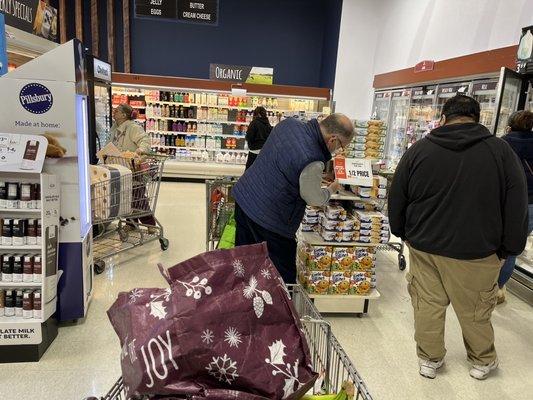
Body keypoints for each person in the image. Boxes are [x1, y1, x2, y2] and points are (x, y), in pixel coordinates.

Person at [388, 95, 528, 381]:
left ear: (443, 117)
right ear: (478, 118)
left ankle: (429, 359)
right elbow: (516, 203)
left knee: (426, 304)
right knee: (476, 309)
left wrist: (402, 232)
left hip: (425, 246)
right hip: (477, 250)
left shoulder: (419, 150)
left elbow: (398, 196)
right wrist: (510, 248)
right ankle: (482, 361)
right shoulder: (500, 152)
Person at [232, 113, 354, 283]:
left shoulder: (288, 124)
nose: (339, 150)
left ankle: (244, 303)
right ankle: (276, 309)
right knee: (282, 279)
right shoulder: (313, 159)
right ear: (332, 139)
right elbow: (313, 198)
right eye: (341, 146)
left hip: (245, 200)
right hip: (272, 221)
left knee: (245, 264)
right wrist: (331, 189)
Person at [497, 110, 533, 302]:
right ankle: (500, 288)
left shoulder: (502, 144)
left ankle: (486, 284)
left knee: (494, 243)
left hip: (505, 202)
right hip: (531, 204)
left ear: (509, 126)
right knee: (512, 248)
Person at [110, 104, 156, 229]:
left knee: (138, 197)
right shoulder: (115, 128)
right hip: (121, 168)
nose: (114, 112)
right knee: (127, 197)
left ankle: (150, 224)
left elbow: (145, 141)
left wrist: (140, 152)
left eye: (117, 111)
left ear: (124, 115)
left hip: (134, 168)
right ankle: (131, 222)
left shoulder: (133, 127)